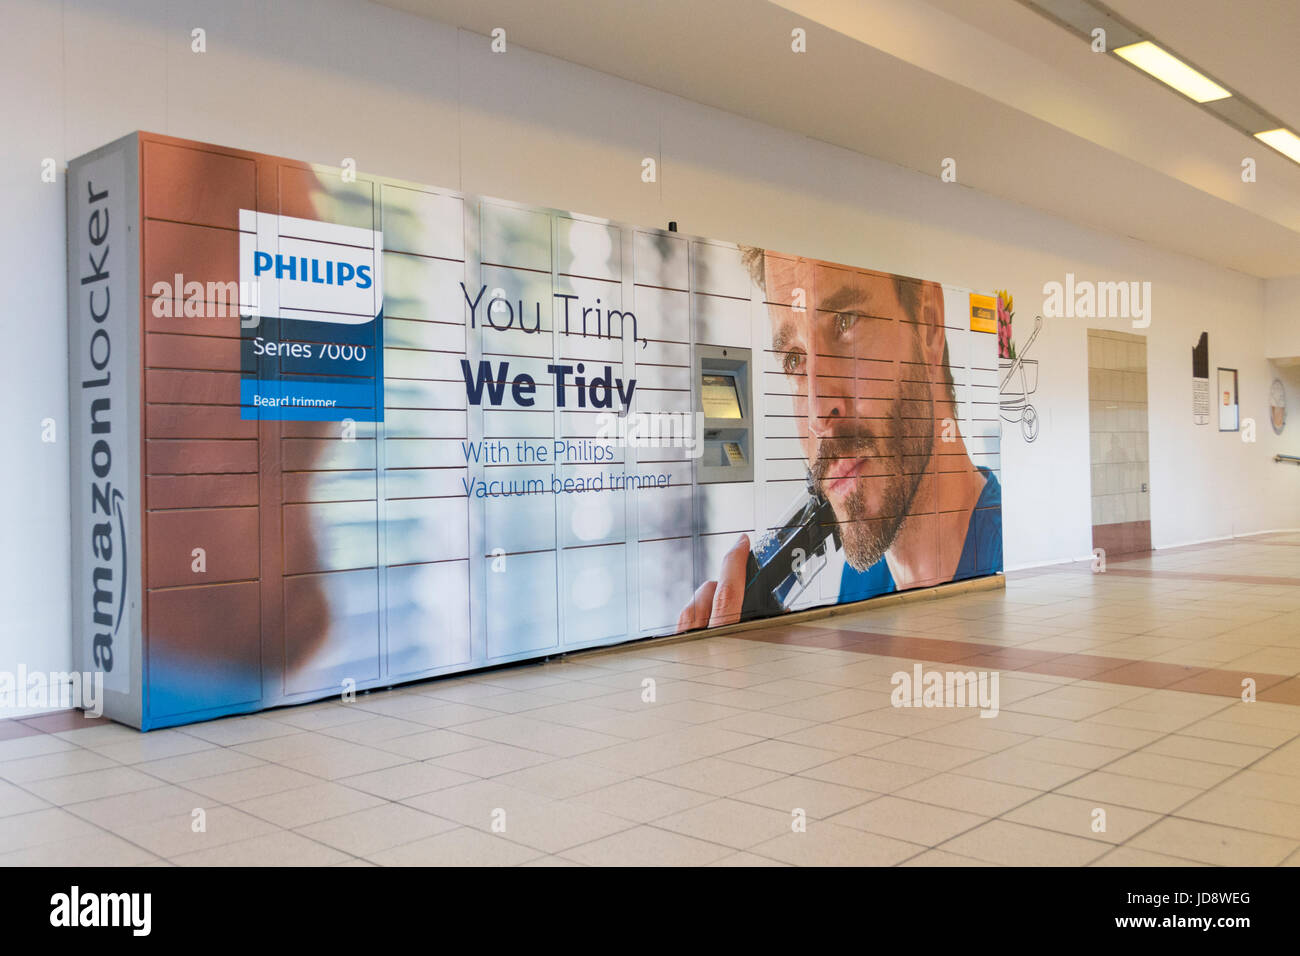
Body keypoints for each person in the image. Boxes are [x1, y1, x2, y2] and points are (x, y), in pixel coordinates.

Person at [676, 247, 1001, 633]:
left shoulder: (1019, 565)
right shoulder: (859, 584)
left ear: (928, 322)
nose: (817, 415)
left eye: (845, 322)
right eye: (795, 361)